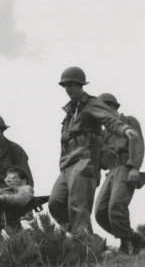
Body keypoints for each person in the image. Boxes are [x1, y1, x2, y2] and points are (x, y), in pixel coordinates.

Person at [48, 66, 139, 238]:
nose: (68, 89)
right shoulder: (69, 112)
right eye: (65, 86)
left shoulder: (90, 103)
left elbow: (109, 119)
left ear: (80, 85)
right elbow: (64, 142)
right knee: (55, 203)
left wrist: (124, 129)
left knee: (78, 207)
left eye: (71, 85)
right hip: (67, 164)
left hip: (84, 160)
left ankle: (86, 246)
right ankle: (87, 238)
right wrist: (61, 165)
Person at [94, 93, 145, 255]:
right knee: (100, 212)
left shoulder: (129, 122)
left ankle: (126, 245)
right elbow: (100, 159)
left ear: (110, 107)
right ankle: (134, 238)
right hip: (111, 172)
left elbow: (137, 143)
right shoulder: (105, 133)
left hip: (126, 167)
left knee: (116, 205)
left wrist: (134, 166)